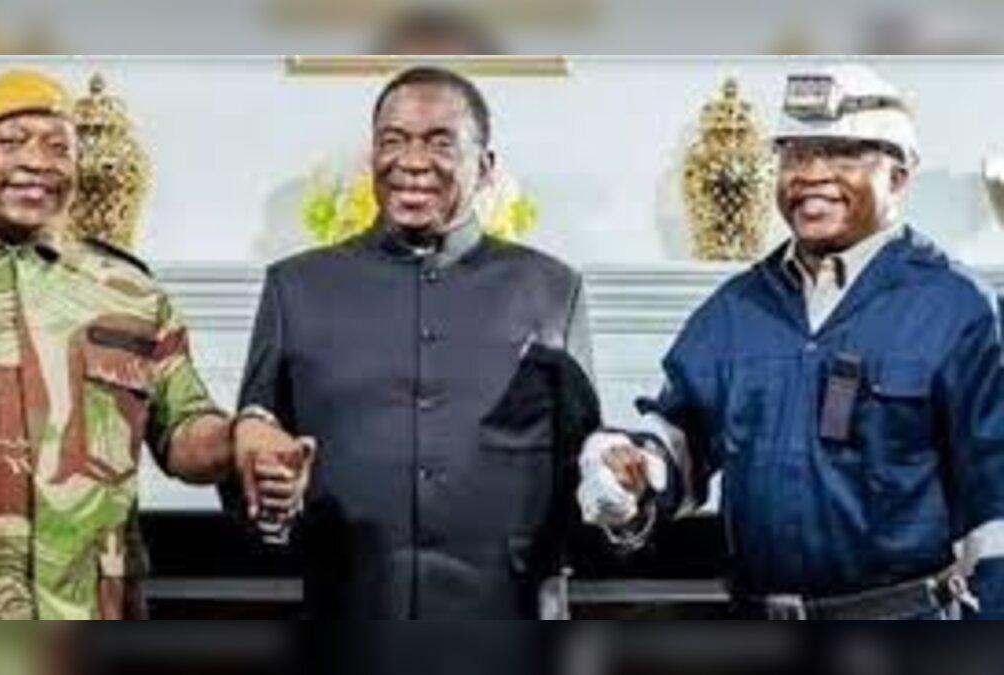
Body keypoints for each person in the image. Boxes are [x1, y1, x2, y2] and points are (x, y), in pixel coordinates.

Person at [0, 68, 311, 619]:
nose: (38, 161)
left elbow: (185, 433)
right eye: (10, 141)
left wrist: (244, 435)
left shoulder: (133, 293)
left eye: (58, 147)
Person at [578, 64, 1004, 619]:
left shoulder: (957, 308)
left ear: (899, 177)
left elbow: (996, 504)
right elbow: (680, 438)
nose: (812, 175)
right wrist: (631, 474)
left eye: (843, 155)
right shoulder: (735, 308)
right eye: (796, 155)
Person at [236, 65, 594, 619]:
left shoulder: (552, 288)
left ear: (485, 168)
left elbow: (588, 472)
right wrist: (269, 491)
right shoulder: (295, 288)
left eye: (440, 142)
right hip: (348, 616)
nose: (411, 161)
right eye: (392, 140)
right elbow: (250, 449)